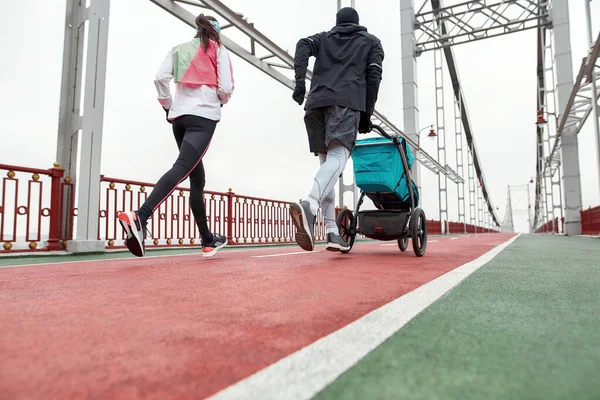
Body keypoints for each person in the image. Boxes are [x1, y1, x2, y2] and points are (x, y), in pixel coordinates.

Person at [117, 14, 234, 258]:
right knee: (182, 167)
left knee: (196, 179)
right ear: (217, 33)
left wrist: (168, 106)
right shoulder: (218, 49)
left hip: (178, 120)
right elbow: (226, 87)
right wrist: (220, 100)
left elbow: (160, 78)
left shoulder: (178, 49)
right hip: (202, 119)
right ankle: (141, 215)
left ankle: (208, 240)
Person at [290, 7, 384, 252]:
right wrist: (366, 113)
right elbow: (374, 77)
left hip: (316, 104)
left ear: (337, 23)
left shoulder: (323, 38)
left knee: (327, 167)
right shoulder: (371, 42)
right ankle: (310, 204)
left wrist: (300, 81)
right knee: (338, 159)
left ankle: (332, 231)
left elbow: (302, 45)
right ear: (357, 23)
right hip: (346, 103)